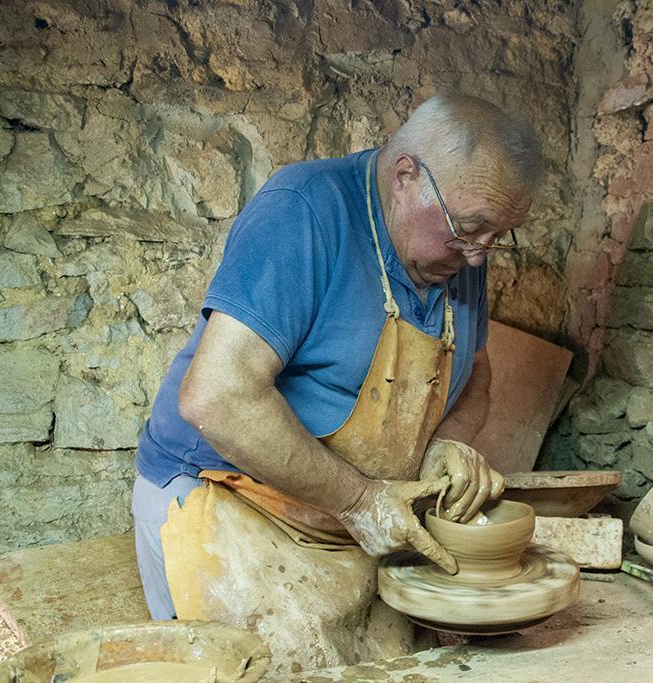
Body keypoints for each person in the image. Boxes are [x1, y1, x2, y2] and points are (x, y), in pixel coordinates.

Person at [129, 93, 542, 670]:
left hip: (353, 517)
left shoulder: (454, 253)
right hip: (227, 501)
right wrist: (359, 500)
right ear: (405, 177)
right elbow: (218, 398)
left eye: (496, 237)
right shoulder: (303, 212)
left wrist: (449, 439)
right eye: (470, 231)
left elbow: (474, 369)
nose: (477, 258)